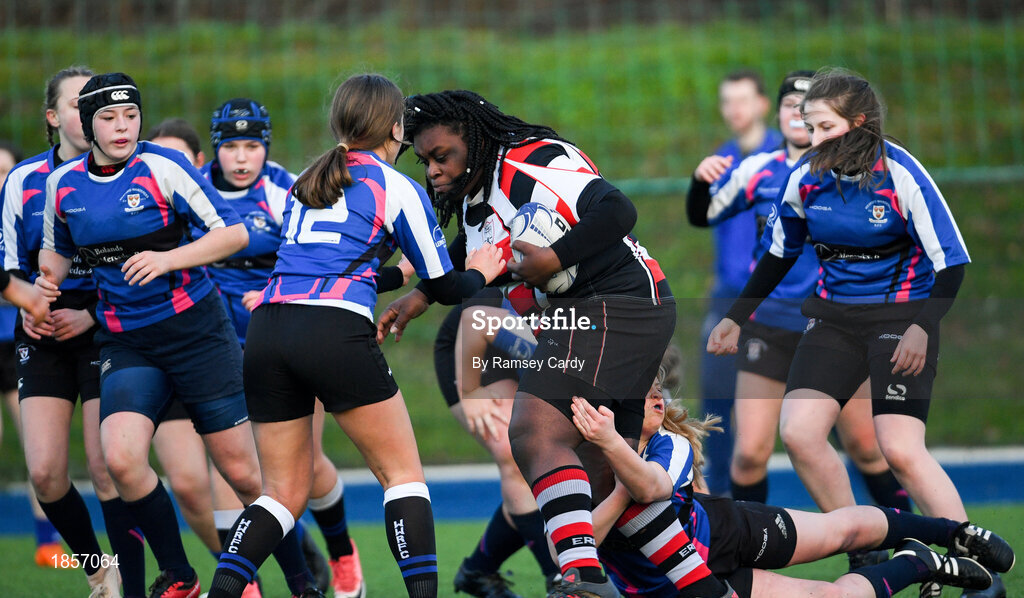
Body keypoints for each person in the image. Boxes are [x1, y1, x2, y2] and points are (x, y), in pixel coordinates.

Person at [203, 73, 504, 598]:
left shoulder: (308, 180)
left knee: (281, 493)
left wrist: (395, 276)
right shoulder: (397, 187)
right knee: (403, 477)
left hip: (270, 330)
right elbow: (448, 285)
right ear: (396, 128)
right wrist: (483, 269)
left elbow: (329, 264)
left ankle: (225, 589)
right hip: (333, 332)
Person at [706, 67, 995, 596]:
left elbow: (951, 262)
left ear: (858, 123)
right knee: (798, 432)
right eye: (806, 128)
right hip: (834, 318)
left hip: (900, 317)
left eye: (821, 127)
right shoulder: (805, 176)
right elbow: (777, 254)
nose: (810, 140)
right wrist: (736, 316)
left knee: (899, 447)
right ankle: (869, 549)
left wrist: (921, 326)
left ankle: (973, 566)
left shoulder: (901, 172)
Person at [384, 90, 674, 598]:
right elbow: (470, 255)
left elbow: (616, 210)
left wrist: (552, 258)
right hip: (590, 314)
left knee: (534, 429)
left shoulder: (532, 159)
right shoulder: (476, 201)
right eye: (425, 159)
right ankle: (703, 585)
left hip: (621, 300)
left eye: (441, 155)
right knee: (608, 480)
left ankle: (580, 578)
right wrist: (419, 297)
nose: (431, 169)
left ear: (473, 141)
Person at [37, 71, 267, 598]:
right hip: (125, 343)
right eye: (108, 116)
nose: (122, 127)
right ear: (75, 121)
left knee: (245, 475)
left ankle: (305, 576)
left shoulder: (165, 170)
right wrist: (34, 295)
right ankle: (144, 577)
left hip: (200, 334)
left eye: (131, 116)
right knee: (103, 467)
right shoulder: (55, 185)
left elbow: (232, 234)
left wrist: (167, 260)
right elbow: (54, 261)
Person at [687, 71, 910, 531]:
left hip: (835, 327)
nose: (798, 113)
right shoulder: (761, 170)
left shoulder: (857, 173)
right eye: (791, 104)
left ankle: (909, 538)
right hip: (768, 324)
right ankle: (757, 558)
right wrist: (698, 181)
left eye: (807, 107)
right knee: (749, 454)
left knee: (867, 447)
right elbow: (702, 215)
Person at [572, 368, 1014, 598]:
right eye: (644, 391)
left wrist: (615, 450)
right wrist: (614, 463)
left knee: (843, 530)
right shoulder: (585, 466)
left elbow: (653, 489)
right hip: (669, 588)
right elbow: (577, 543)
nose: (657, 396)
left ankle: (955, 532)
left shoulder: (671, 445)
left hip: (725, 532)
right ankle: (921, 562)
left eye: (657, 389)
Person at [201, 99, 362, 597]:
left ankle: (341, 554)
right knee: (228, 464)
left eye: (252, 145)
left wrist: (272, 290)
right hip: (214, 343)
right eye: (231, 146)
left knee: (304, 465)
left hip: (278, 335)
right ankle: (246, 586)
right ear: (216, 149)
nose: (242, 157)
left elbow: (314, 258)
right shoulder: (196, 189)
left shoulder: (289, 188)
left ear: (265, 147)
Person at [1, 66, 136, 598]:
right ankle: (98, 567)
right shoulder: (23, 180)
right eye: (79, 103)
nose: (92, 111)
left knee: (109, 469)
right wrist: (27, 303)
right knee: (46, 474)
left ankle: (137, 580)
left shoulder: (134, 173)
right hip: (42, 332)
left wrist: (95, 314)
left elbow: (144, 262)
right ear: (55, 118)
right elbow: (8, 263)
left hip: (108, 329)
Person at [435, 291, 563, 597]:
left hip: (534, 343)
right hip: (474, 341)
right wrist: (470, 389)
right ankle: (559, 579)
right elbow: (474, 322)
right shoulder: (557, 351)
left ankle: (478, 570)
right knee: (515, 454)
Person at [696, 69, 785, 497]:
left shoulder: (786, 158)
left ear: (764, 105)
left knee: (836, 418)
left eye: (743, 99)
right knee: (715, 398)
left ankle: (885, 507)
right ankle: (717, 507)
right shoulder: (720, 160)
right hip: (729, 295)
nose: (734, 109)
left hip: (783, 298)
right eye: (727, 100)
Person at [0, 138, 69, 569]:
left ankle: (48, 543)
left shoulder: (25, 209)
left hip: (16, 342)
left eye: (3, 169)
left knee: (37, 448)